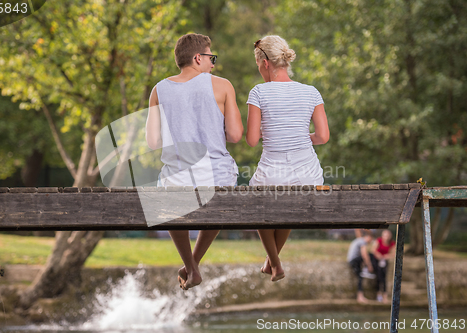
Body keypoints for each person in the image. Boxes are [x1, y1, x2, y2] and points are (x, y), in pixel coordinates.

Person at [146, 33, 243, 290]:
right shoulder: (222, 85)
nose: (213, 63)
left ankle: (191, 266)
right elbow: (234, 135)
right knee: (221, 198)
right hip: (217, 175)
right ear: (198, 58)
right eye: (211, 57)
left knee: (169, 198)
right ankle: (193, 264)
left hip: (176, 178)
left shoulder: (158, 90)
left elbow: (153, 142)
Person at [246, 35, 329, 282]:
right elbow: (323, 137)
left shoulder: (259, 91)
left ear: (264, 63)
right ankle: (272, 263)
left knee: (257, 199)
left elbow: (251, 140)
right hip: (309, 175)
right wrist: (300, 135)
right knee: (293, 198)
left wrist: (268, 133)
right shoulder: (311, 92)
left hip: (272, 174)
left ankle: (274, 262)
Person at [347, 230, 375, 303]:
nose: (370, 242)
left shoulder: (359, 240)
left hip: (352, 260)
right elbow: (364, 255)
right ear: (368, 237)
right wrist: (369, 266)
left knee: (360, 277)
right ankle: (360, 297)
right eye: (371, 240)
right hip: (354, 261)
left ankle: (360, 296)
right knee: (371, 255)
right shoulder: (363, 242)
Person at [372, 229, 395, 302]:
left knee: (384, 277)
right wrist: (379, 255)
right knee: (378, 277)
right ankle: (378, 294)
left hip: (385, 261)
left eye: (388, 235)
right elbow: (373, 250)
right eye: (385, 235)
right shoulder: (379, 240)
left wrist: (386, 256)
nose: (386, 237)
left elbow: (393, 254)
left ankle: (385, 296)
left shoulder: (392, 243)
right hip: (377, 260)